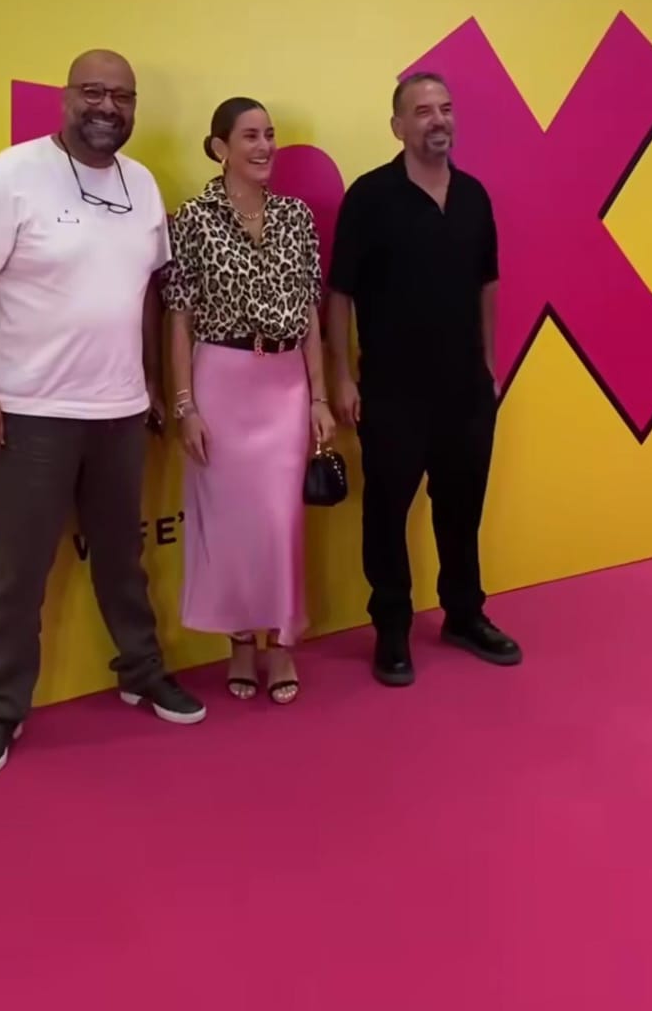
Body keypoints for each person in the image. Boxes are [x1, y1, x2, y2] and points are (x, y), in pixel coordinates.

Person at [0, 49, 206, 782]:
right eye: (94, 92)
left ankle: (141, 672)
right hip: (29, 413)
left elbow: (147, 292)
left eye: (122, 97)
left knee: (122, 558)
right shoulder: (12, 174)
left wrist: (150, 381)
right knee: (18, 573)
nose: (108, 108)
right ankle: (1, 708)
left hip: (120, 412)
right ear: (66, 98)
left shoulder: (141, 184)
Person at [326, 72, 521, 686]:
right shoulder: (370, 197)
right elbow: (339, 293)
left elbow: (488, 282)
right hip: (392, 390)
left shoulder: (474, 196)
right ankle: (391, 629)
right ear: (398, 126)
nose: (438, 119)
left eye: (446, 108)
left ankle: (464, 614)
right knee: (386, 514)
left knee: (461, 510)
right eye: (422, 111)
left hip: (466, 389)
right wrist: (342, 378)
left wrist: (490, 366)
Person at [163, 97, 335, 704]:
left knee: (280, 522)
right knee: (231, 525)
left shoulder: (296, 216)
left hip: (285, 386)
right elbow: (178, 317)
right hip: (220, 382)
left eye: (270, 135)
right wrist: (185, 405)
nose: (264, 147)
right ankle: (239, 642)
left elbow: (310, 311)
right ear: (220, 147)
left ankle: (281, 643)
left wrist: (319, 397)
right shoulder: (192, 219)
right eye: (250, 136)